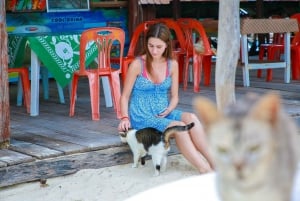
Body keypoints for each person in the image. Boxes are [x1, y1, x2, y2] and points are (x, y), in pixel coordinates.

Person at [118, 22, 214, 173]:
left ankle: (215, 163)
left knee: (191, 117)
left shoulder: (172, 64)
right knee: (178, 127)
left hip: (164, 111)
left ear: (166, 45)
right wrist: (124, 118)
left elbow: (175, 96)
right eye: (151, 46)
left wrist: (170, 108)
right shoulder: (138, 64)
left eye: (158, 47)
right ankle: (205, 169)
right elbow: (124, 96)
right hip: (143, 116)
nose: (154, 51)